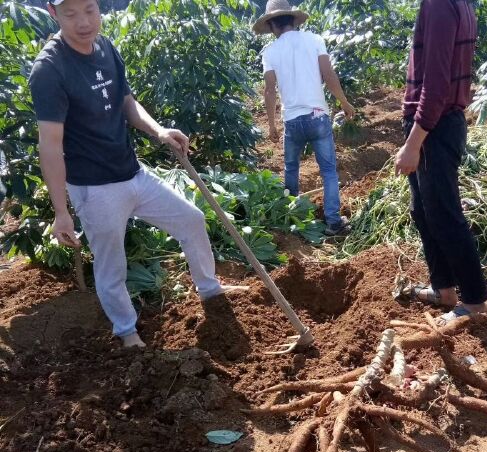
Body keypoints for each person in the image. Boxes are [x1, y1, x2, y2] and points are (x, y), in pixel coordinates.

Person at [29, 0, 242, 348]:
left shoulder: (105, 46)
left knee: (192, 220)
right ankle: (127, 332)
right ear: (54, 14)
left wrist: (157, 130)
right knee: (112, 265)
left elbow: (126, 100)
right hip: (94, 188)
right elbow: (50, 145)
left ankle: (210, 290)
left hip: (133, 173)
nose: (83, 21)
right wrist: (61, 212)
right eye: (71, 13)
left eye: (89, 9)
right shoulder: (50, 69)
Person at [394, 0, 487, 324]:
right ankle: (444, 289)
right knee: (423, 211)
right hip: (440, 123)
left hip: (433, 127)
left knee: (444, 214)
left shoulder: (438, 4)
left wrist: (413, 143)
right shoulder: (459, 3)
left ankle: (474, 300)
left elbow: (436, 87)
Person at [253, 0, 355, 236]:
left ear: (272, 26)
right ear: (293, 20)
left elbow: (269, 91)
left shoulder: (270, 52)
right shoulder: (314, 40)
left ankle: (293, 217)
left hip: (292, 120)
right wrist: (344, 102)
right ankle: (333, 222)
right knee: (328, 171)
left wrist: (271, 124)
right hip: (318, 116)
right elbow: (328, 74)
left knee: (291, 168)